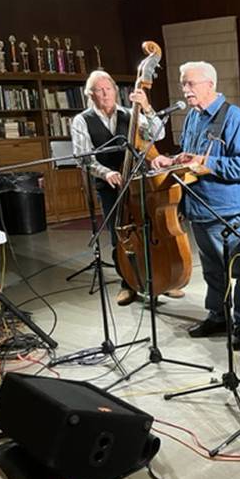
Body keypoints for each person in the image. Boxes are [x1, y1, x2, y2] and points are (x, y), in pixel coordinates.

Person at [150, 61, 240, 350]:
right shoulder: (193, 118)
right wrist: (171, 160)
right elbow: (189, 158)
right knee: (211, 268)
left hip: (224, 211)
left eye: (190, 84)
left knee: (239, 269)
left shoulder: (234, 118)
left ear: (210, 84)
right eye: (183, 84)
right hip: (197, 207)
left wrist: (206, 162)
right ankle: (218, 316)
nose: (185, 90)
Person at [71, 70, 167, 306]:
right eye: (99, 90)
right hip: (110, 186)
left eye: (108, 88)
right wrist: (106, 173)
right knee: (120, 235)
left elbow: (159, 134)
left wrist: (147, 108)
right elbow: (82, 157)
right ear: (90, 95)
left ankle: (159, 281)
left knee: (149, 230)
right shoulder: (82, 120)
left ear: (115, 90)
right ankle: (128, 283)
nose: (105, 94)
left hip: (138, 183)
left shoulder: (130, 113)